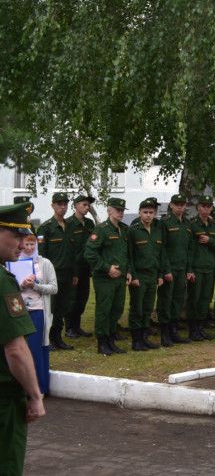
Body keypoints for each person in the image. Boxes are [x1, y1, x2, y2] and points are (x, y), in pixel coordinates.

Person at [0, 202, 46, 475]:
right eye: (15, 235)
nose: (21, 243)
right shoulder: (4, 280)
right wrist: (35, 396)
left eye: (24, 236)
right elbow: (15, 348)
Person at [83, 197, 131, 356]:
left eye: (123, 210)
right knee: (104, 309)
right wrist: (107, 268)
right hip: (105, 278)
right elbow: (89, 253)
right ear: (109, 210)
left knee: (116, 309)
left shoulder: (124, 229)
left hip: (120, 277)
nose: (121, 213)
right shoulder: (102, 229)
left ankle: (111, 340)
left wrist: (128, 271)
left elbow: (126, 254)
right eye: (118, 210)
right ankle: (102, 342)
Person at [11, 234, 57, 396]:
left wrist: (36, 286)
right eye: (27, 244)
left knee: (36, 349)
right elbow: (9, 288)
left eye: (33, 244)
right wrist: (21, 285)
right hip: (19, 312)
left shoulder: (45, 263)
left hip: (39, 311)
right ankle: (22, 388)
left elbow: (53, 288)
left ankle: (40, 388)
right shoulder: (13, 262)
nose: (29, 248)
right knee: (19, 349)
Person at [35, 192, 75, 350]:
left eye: (65, 204)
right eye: (59, 204)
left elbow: (73, 251)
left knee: (62, 308)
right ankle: (48, 339)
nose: (63, 207)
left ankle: (58, 338)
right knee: (50, 308)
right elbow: (41, 254)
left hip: (67, 274)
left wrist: (75, 273)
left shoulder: (70, 226)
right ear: (52, 205)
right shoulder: (46, 227)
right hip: (52, 274)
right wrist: (42, 276)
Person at [126, 198, 167, 351]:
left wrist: (160, 274)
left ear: (155, 214)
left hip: (153, 275)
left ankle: (144, 338)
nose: (148, 215)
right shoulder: (134, 230)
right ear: (139, 213)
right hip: (139, 276)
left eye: (151, 212)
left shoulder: (157, 231)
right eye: (145, 212)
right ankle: (136, 340)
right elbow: (129, 255)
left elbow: (160, 254)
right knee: (137, 308)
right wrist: (133, 275)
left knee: (148, 308)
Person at [186, 195, 215, 341]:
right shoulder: (192, 224)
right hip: (197, 267)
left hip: (210, 268)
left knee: (205, 299)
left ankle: (200, 328)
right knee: (194, 299)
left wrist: (210, 240)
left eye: (209, 207)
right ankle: (193, 330)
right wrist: (189, 269)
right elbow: (188, 248)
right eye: (203, 206)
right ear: (198, 207)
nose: (206, 209)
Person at [157, 194, 191, 345]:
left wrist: (188, 269)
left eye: (182, 204)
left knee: (177, 301)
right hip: (169, 269)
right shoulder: (164, 223)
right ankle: (164, 334)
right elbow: (161, 248)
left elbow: (189, 249)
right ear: (171, 205)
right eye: (177, 204)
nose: (180, 207)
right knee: (166, 301)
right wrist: (166, 270)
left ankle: (174, 331)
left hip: (182, 269)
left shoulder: (186, 223)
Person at [65, 194, 96, 340]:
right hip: (73, 268)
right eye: (84, 204)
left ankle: (77, 326)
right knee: (72, 298)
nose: (86, 207)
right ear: (76, 205)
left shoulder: (90, 224)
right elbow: (68, 249)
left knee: (82, 298)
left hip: (86, 267)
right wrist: (73, 272)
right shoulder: (68, 223)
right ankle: (69, 327)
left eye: (88, 205)